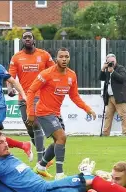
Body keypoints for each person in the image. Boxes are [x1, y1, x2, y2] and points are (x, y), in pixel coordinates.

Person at [26, 47, 96, 180]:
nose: (64, 59)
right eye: (61, 56)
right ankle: (59, 174)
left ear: (69, 58)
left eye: (66, 57)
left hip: (56, 113)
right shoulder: (46, 74)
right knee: (62, 137)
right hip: (43, 112)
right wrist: (30, 112)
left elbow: (74, 96)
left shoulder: (71, 75)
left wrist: (87, 109)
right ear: (56, 59)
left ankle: (41, 166)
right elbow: (31, 91)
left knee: (59, 141)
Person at [8, 31, 55, 163]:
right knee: (29, 128)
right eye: (25, 37)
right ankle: (44, 153)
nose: (27, 39)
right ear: (23, 41)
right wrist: (10, 89)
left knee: (35, 124)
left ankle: (41, 161)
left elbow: (54, 71)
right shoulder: (16, 57)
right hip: (23, 97)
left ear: (34, 40)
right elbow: (10, 77)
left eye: (29, 37)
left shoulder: (44, 55)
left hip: (39, 96)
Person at [99, 53, 126, 136]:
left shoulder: (120, 68)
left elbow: (122, 79)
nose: (111, 63)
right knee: (108, 116)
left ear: (116, 60)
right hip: (109, 97)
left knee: (123, 115)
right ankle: (105, 133)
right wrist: (103, 69)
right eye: (109, 62)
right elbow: (101, 78)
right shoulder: (107, 69)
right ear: (107, 62)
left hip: (119, 96)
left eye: (113, 61)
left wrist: (112, 71)